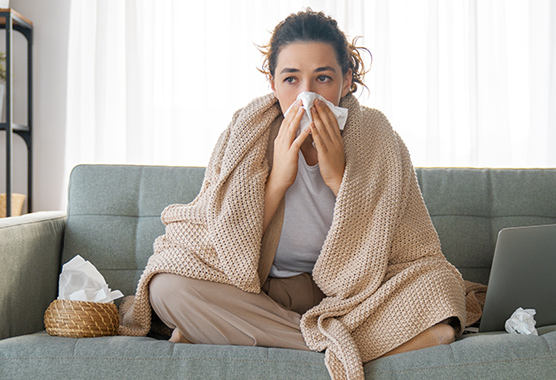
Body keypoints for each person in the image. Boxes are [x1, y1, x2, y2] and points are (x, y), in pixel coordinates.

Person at [119, 9, 467, 379]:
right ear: (272, 84)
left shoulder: (377, 136)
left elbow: (408, 250)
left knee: (442, 286)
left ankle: (236, 335)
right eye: (290, 79)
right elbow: (223, 246)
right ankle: (340, 349)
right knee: (167, 287)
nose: (306, 96)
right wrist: (277, 182)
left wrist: (339, 179)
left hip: (353, 298)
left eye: (323, 78)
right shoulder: (246, 132)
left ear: (346, 81)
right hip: (265, 292)